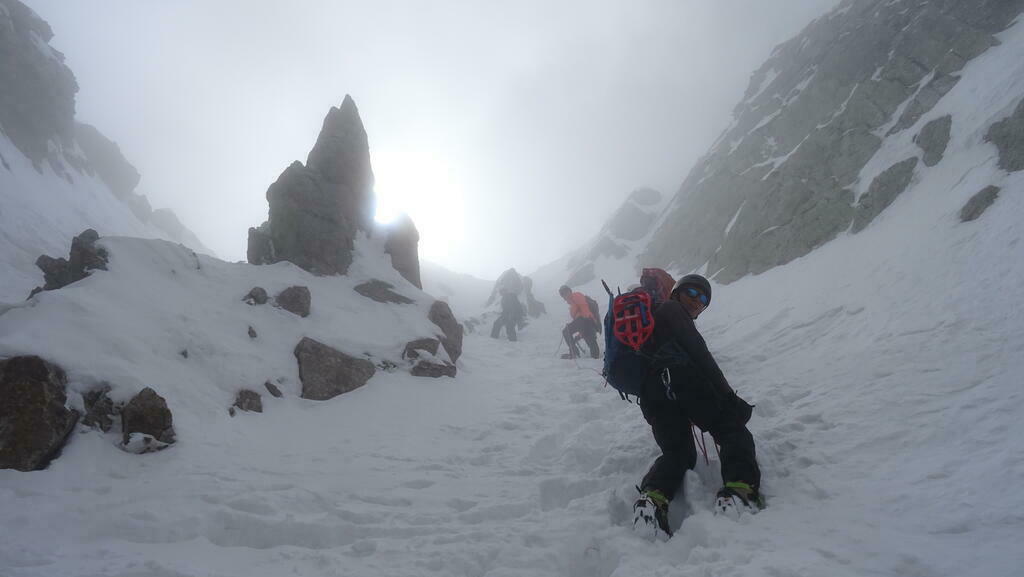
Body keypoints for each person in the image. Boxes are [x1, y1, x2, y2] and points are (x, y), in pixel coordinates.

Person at [632, 274, 762, 538]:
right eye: (691, 293)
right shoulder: (672, 310)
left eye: (703, 299)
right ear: (676, 293)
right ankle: (740, 492)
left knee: (678, 454)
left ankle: (652, 500)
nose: (696, 301)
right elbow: (700, 355)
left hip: (653, 395)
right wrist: (729, 397)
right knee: (731, 429)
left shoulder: (653, 318)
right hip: (684, 381)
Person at [558, 285, 600, 359]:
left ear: (569, 291)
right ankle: (591, 355)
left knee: (566, 331)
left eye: (565, 292)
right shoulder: (572, 303)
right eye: (563, 294)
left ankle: (575, 353)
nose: (565, 295)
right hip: (585, 321)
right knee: (590, 341)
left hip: (585, 320)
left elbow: (584, 307)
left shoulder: (576, 295)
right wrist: (581, 333)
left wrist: (587, 320)